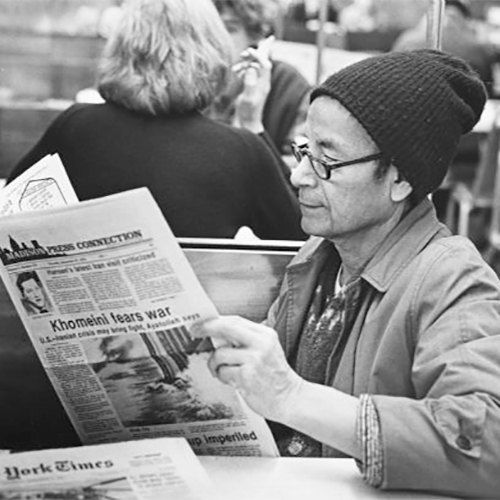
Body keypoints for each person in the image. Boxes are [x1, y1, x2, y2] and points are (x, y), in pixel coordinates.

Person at [192, 49, 500, 497]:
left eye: (326, 161)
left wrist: (291, 396)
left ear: (399, 180)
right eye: (303, 150)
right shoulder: (319, 256)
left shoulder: (452, 278)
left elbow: (488, 444)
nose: (299, 177)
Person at [8, 0, 305, 241]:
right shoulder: (241, 151)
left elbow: (13, 207)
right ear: (212, 53)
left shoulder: (75, 127)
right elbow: (297, 238)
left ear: (120, 49)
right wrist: (253, 125)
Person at [206, 0, 311, 158]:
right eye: (208, 29)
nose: (217, 39)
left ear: (254, 33)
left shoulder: (289, 85)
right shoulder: (192, 81)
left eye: (229, 28)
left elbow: (304, 165)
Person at [392, 0, 497, 97]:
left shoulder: (406, 38)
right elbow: (488, 90)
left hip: (410, 101)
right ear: (466, 20)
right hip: (462, 107)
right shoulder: (477, 46)